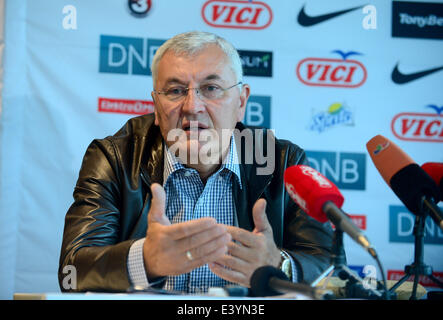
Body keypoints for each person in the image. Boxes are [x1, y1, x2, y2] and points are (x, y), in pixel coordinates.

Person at [58, 31, 333, 294]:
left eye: (211, 88)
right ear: (156, 106)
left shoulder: (282, 162)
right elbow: (72, 273)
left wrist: (279, 265)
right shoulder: (115, 158)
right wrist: (144, 261)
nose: (192, 106)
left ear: (241, 101)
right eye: (176, 90)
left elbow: (333, 269)